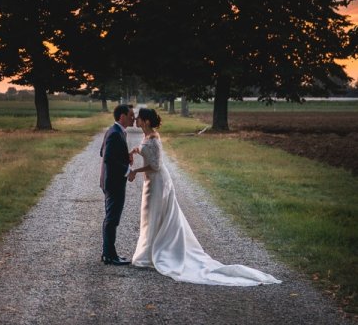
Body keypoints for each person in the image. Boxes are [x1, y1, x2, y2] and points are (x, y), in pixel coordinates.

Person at [127, 107, 281, 285]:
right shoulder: (147, 136)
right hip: (151, 183)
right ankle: (149, 253)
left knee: (153, 215)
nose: (136, 121)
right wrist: (134, 151)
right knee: (150, 216)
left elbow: (156, 165)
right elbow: (144, 148)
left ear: (145, 121)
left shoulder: (154, 137)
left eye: (138, 118)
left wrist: (135, 171)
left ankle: (150, 256)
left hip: (158, 182)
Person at [100, 104, 134, 265]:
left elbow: (103, 152)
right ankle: (109, 255)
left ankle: (109, 253)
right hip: (113, 183)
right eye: (130, 115)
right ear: (122, 116)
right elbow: (107, 158)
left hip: (110, 181)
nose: (133, 118)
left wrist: (126, 156)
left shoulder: (114, 131)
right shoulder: (115, 133)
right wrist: (127, 170)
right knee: (112, 219)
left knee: (111, 218)